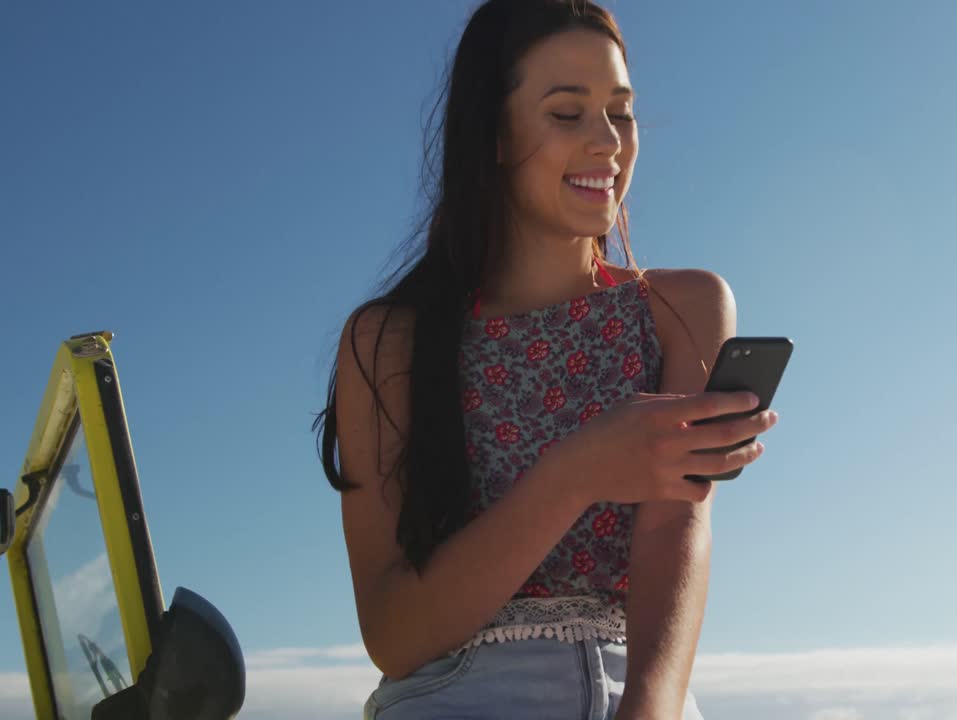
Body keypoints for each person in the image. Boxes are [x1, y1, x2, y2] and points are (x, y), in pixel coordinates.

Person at [314, 1, 780, 717]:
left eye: (619, 113)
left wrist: (649, 709)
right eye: (567, 114)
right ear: (496, 134)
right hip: (456, 692)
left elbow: (677, 527)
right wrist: (574, 472)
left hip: (644, 685)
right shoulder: (387, 343)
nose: (608, 143)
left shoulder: (685, 308)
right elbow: (394, 635)